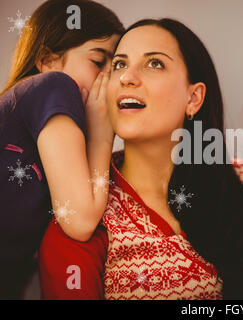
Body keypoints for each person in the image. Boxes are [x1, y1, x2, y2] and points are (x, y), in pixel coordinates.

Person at [39, 18, 243, 300]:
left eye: (154, 63)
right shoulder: (80, 220)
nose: (126, 77)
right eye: (119, 64)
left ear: (193, 98)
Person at [0, 0, 124, 299]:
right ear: (47, 60)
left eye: (117, 66)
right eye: (98, 61)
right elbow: (80, 221)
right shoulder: (54, 85)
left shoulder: (25, 102)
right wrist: (102, 136)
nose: (111, 79)